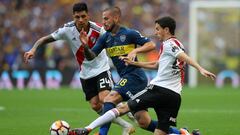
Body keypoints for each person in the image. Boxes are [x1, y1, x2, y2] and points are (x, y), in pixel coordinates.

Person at [68, 16, 216, 135]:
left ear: (166, 29)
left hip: (159, 90)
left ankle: (87, 129)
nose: (156, 32)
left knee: (120, 107)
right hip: (174, 96)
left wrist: (200, 68)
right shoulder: (176, 44)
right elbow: (156, 65)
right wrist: (134, 63)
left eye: (158, 29)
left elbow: (183, 56)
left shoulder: (170, 43)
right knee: (153, 128)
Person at [23, 2, 134, 135]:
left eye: (83, 16)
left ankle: (121, 109)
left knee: (105, 98)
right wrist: (33, 49)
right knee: (95, 105)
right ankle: (126, 124)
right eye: (77, 17)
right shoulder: (67, 29)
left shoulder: (99, 29)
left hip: (101, 68)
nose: (80, 20)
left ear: (88, 15)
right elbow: (45, 39)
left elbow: (115, 40)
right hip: (85, 73)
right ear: (73, 17)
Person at [69, 6, 165, 135]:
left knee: (109, 99)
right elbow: (91, 56)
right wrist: (85, 46)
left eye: (106, 19)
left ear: (116, 18)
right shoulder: (105, 38)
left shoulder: (129, 33)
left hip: (135, 76)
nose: (104, 22)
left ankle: (102, 133)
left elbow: (151, 45)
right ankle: (181, 132)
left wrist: (135, 50)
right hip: (129, 79)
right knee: (144, 122)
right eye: (103, 19)